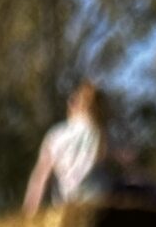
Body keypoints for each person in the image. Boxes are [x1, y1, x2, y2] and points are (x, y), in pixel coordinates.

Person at [23, 81, 117, 213]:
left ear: (75, 105)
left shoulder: (55, 134)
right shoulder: (101, 132)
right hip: (98, 198)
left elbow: (40, 178)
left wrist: (29, 213)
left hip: (66, 200)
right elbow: (126, 162)